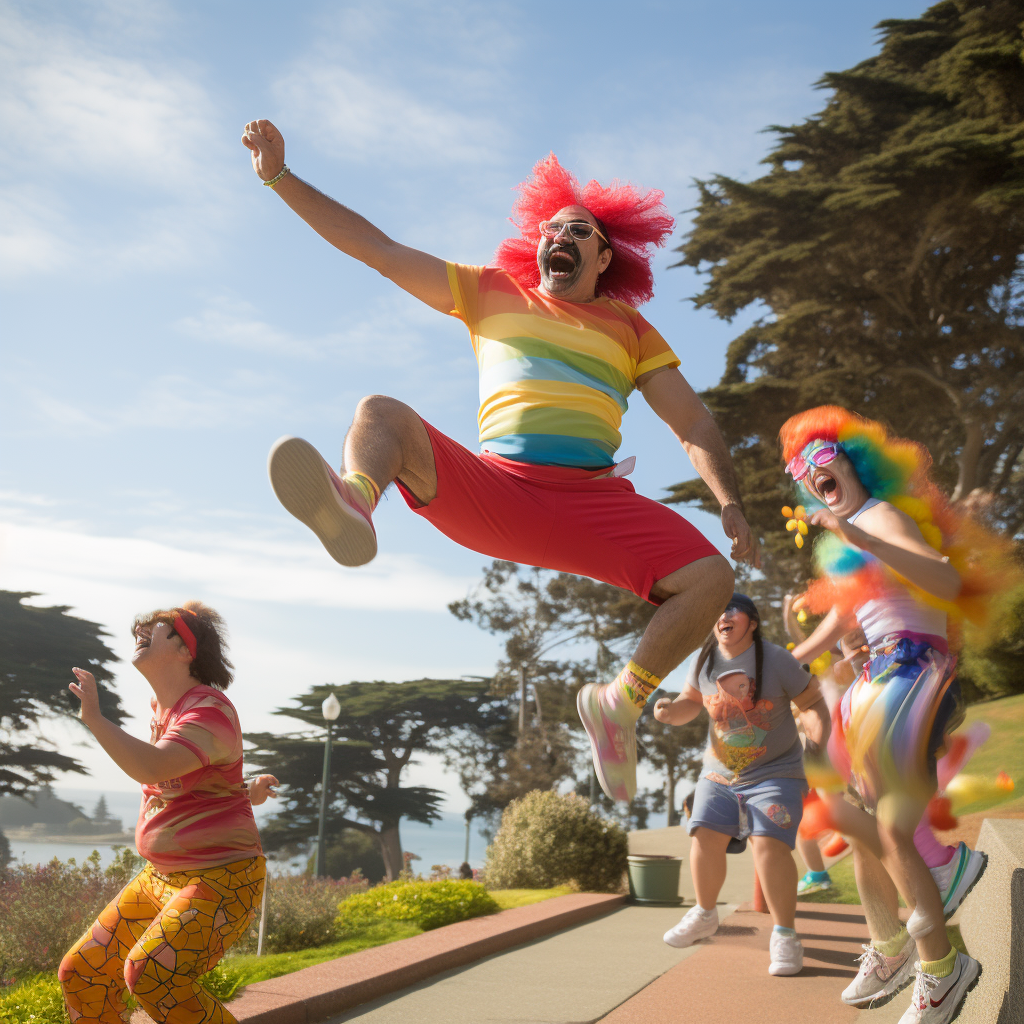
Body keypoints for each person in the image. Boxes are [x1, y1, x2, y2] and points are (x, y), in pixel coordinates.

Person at [241, 120, 759, 802]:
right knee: (380, 414)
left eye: (579, 232)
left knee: (711, 580)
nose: (560, 237)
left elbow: (690, 420)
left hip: (590, 505)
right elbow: (376, 248)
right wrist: (278, 177)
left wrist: (727, 499)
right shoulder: (488, 292)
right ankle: (356, 503)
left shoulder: (631, 330)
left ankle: (620, 705)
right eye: (552, 228)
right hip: (496, 490)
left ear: (605, 258)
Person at [780, 406, 1006, 1023]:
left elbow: (942, 577)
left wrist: (869, 539)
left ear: (855, 462)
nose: (812, 475)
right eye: (804, 473)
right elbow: (835, 627)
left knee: (888, 823)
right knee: (851, 818)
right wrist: (775, 664)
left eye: (822, 460)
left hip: (913, 669)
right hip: (878, 675)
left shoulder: (879, 517)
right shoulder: (854, 538)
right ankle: (894, 943)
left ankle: (940, 958)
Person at [59, 602, 265, 1024]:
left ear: (186, 650)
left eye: (157, 628)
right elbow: (203, 784)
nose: (141, 630)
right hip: (160, 878)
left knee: (151, 973)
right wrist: (246, 792)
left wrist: (95, 719)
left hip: (221, 880)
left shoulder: (207, 711)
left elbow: (154, 768)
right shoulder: (162, 709)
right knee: (82, 972)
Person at [653, 593, 830, 976]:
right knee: (703, 835)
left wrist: (816, 744)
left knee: (768, 845)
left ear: (751, 622)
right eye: (717, 611)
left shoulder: (777, 660)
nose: (722, 616)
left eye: (731, 610)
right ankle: (704, 914)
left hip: (776, 772)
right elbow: (690, 701)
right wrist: (670, 712)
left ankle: (785, 936)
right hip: (718, 775)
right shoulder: (703, 660)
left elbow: (814, 703)